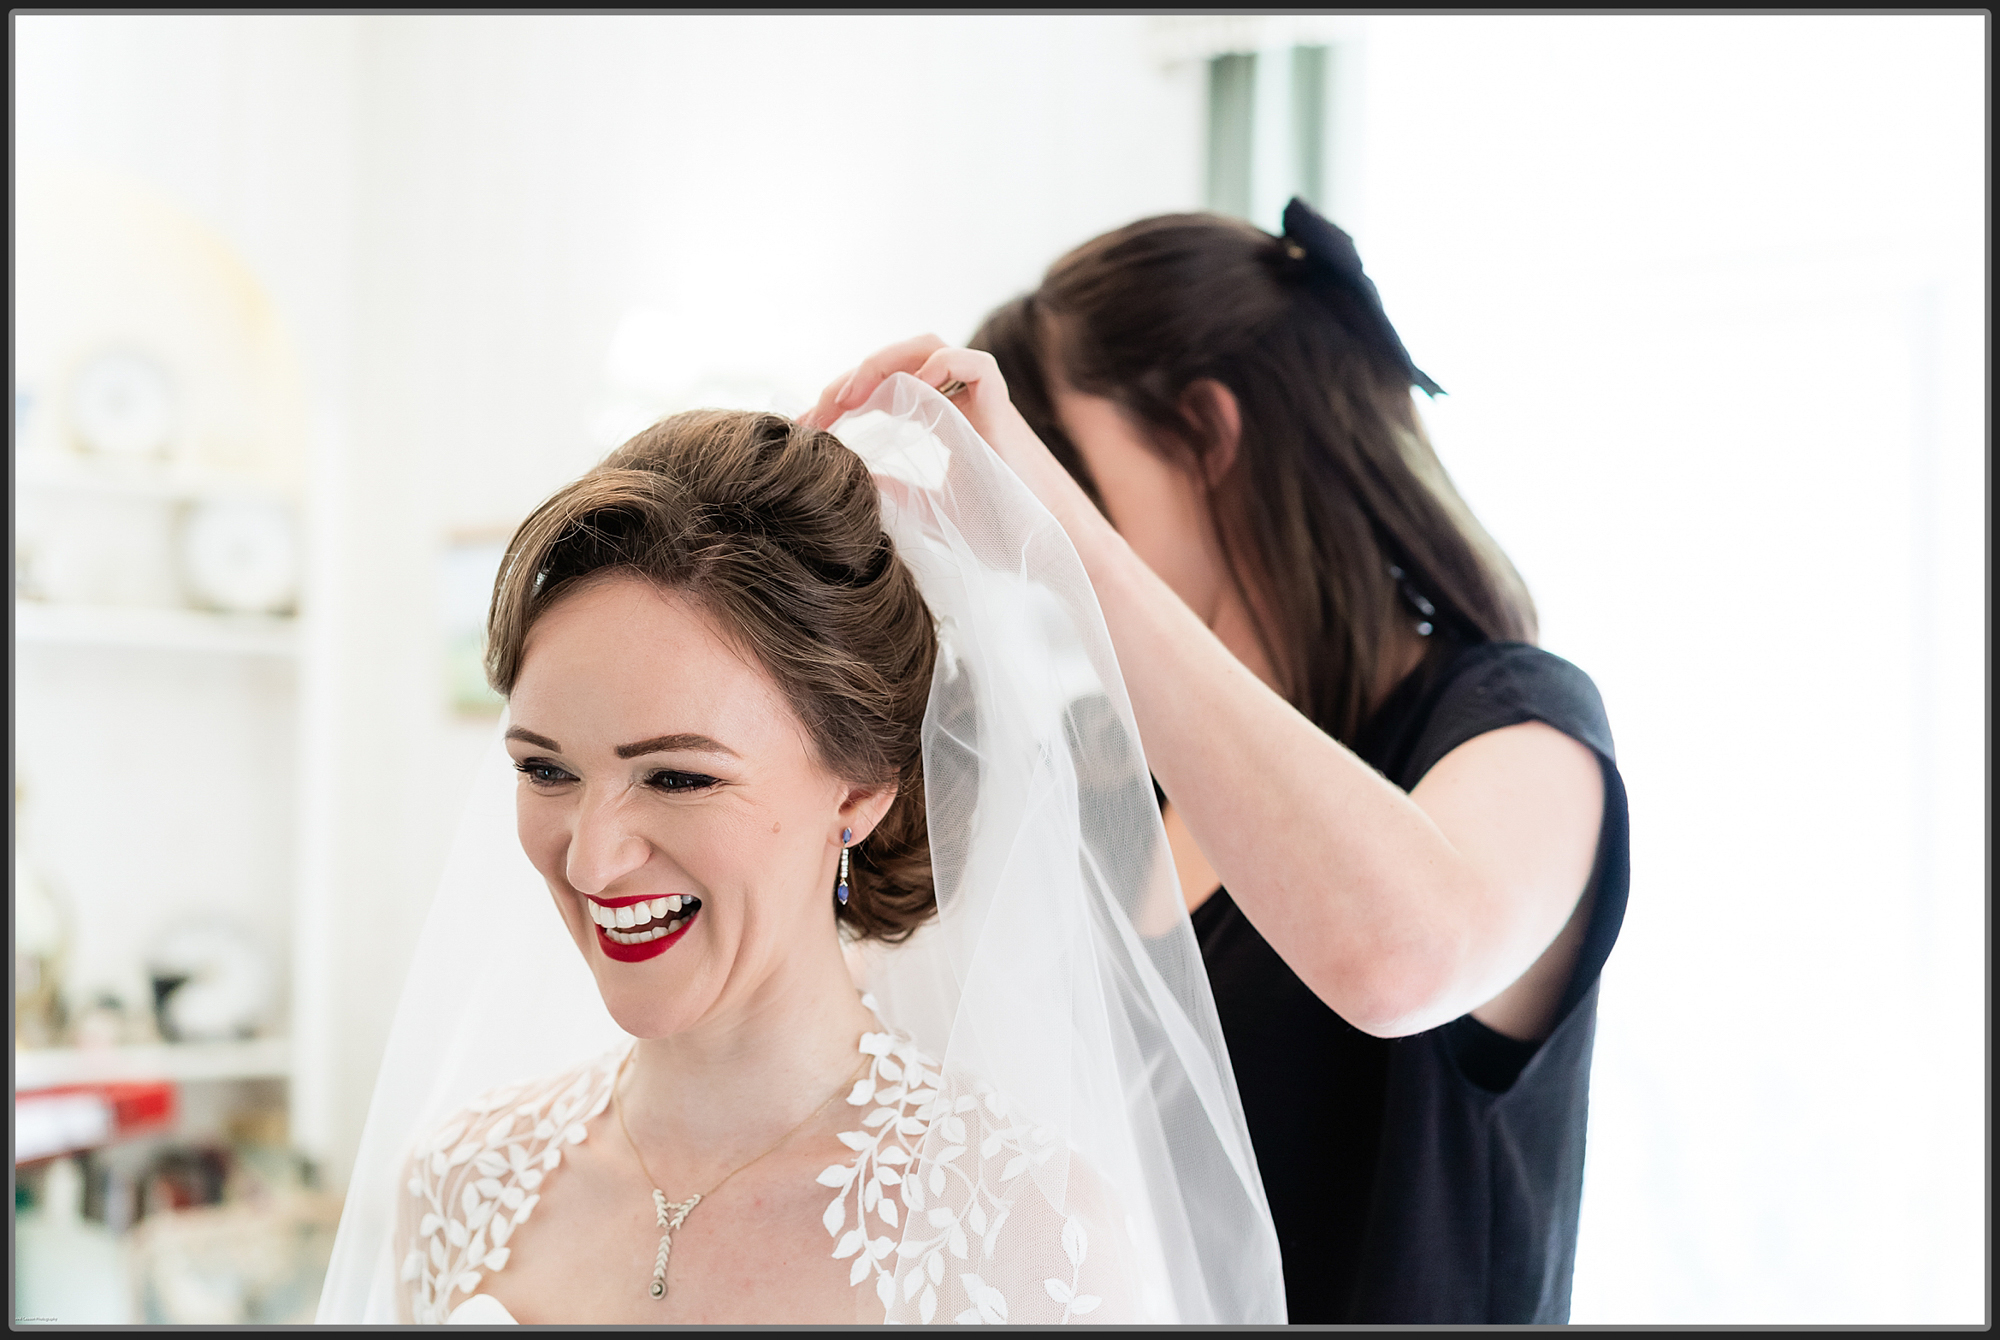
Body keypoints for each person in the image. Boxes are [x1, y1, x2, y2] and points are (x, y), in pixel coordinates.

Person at [798, 199, 1630, 1324]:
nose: (1043, 517)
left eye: (1071, 470)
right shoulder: (1107, 766)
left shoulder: (1519, 727)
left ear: (1205, 432)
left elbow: (1397, 961)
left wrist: (1064, 540)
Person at [316, 382, 1285, 1324]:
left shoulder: (1028, 1230)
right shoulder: (456, 1183)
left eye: (677, 777)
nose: (591, 860)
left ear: (859, 790)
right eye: (546, 769)